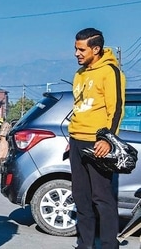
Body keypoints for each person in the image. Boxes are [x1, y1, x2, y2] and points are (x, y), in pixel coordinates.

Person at [68, 27, 125, 249]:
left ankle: (109, 245)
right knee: (81, 199)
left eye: (81, 49)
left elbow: (116, 109)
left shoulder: (110, 71)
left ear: (96, 49)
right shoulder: (79, 74)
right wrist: (72, 135)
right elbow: (78, 108)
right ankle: (85, 245)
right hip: (76, 141)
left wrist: (107, 140)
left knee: (102, 199)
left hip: (99, 143)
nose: (76, 53)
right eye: (75, 49)